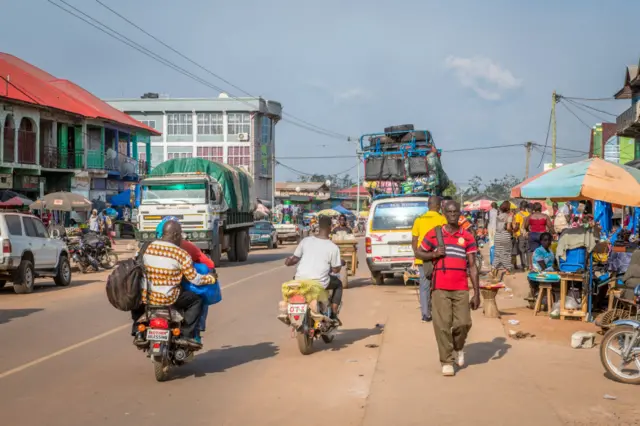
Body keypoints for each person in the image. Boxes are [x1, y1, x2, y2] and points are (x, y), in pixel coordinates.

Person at [416, 200, 480, 377]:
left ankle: (458, 347)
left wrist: (477, 293)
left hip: (461, 287)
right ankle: (446, 361)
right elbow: (419, 252)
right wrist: (433, 254)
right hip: (440, 287)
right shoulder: (434, 234)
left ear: (460, 214)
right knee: (442, 324)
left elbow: (473, 266)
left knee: (464, 323)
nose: (453, 215)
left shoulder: (467, 237)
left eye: (456, 212)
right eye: (449, 212)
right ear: (444, 213)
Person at [134, 220, 217, 348]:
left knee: (135, 294)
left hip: (147, 298)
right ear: (176, 236)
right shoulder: (181, 254)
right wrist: (210, 278)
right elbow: (194, 279)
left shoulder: (146, 248)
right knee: (196, 301)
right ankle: (186, 335)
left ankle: (138, 332)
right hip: (170, 299)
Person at [284, 215, 343, 322]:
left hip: (300, 279)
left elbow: (294, 259)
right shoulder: (333, 247)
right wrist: (339, 265)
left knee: (295, 278)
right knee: (338, 284)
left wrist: (288, 262)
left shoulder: (306, 241)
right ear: (330, 227)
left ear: (318, 226)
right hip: (319, 282)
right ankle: (334, 314)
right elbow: (335, 270)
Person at [411, 196, 446, 322]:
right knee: (439, 285)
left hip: (423, 259)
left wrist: (417, 254)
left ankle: (426, 314)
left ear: (428, 206)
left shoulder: (419, 220)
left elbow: (414, 240)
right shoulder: (443, 219)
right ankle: (440, 313)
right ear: (438, 206)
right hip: (439, 258)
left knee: (424, 286)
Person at [524, 202, 553, 269]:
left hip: (533, 235)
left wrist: (528, 231)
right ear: (541, 208)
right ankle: (544, 266)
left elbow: (525, 226)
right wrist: (553, 233)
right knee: (544, 251)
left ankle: (532, 267)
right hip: (542, 235)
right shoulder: (545, 216)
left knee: (533, 252)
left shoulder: (530, 216)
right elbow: (550, 226)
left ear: (533, 209)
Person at [492, 201, 514, 281]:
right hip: (505, 235)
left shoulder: (498, 216)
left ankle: (493, 268)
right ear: (508, 208)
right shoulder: (509, 216)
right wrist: (512, 231)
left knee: (497, 253)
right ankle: (507, 269)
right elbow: (508, 228)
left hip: (497, 236)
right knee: (506, 252)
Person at [512, 201, 530, 271]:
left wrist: (513, 230)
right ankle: (529, 265)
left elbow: (517, 226)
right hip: (527, 234)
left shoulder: (518, 214)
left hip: (521, 235)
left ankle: (524, 266)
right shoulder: (529, 214)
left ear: (520, 207)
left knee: (521, 250)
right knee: (528, 250)